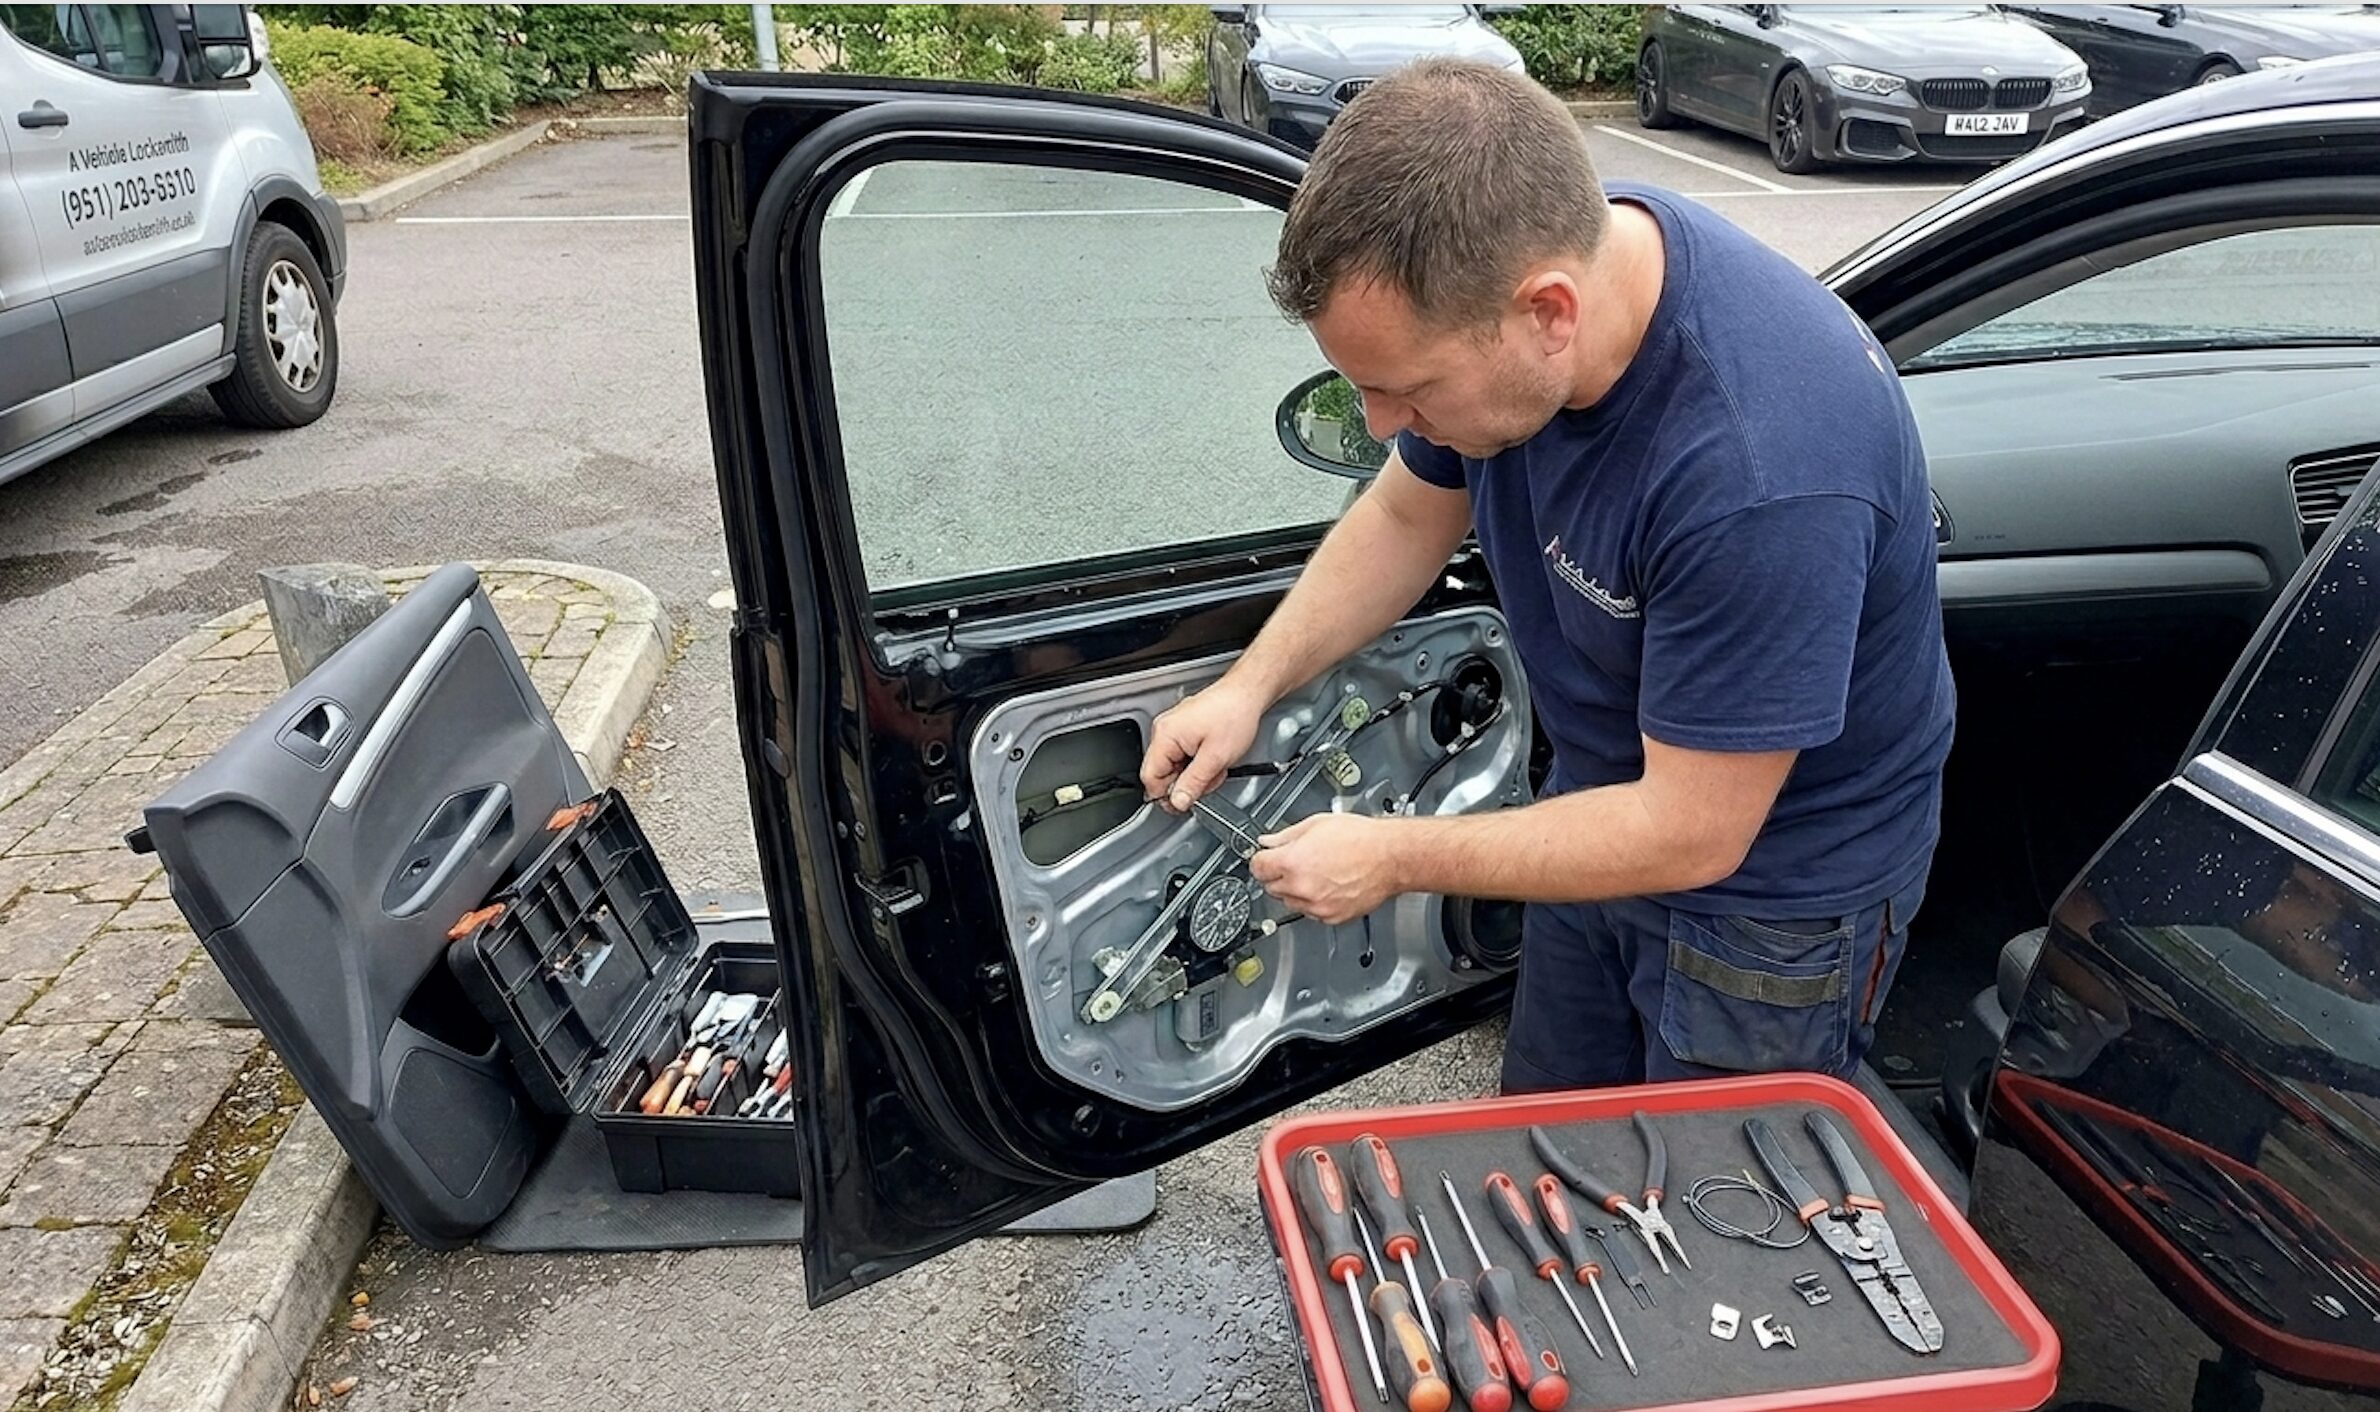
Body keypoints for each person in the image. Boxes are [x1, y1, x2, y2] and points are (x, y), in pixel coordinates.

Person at [1137, 58, 1953, 1089]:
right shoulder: (1529, 287)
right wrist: (1245, 687)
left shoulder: (1761, 468)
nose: (1385, 424)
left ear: (1549, 311)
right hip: (1601, 803)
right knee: (1550, 1147)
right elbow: (1400, 513)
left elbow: (1688, 831)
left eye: (1405, 390)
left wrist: (1392, 855)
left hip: (1771, 902)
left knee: (1717, 1208)